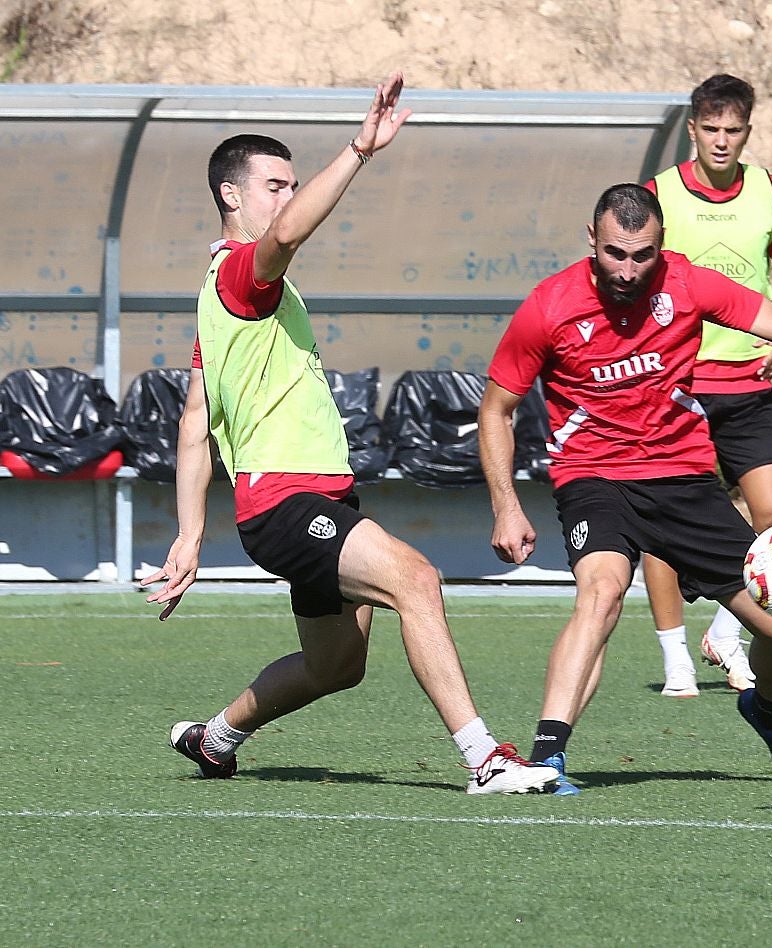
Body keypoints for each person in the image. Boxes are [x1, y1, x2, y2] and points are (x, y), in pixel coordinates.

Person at [141, 72, 558, 796]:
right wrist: (359, 151)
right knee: (418, 580)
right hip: (285, 504)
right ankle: (485, 759)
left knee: (338, 665)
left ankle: (214, 739)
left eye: (290, 183)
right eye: (275, 183)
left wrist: (188, 536)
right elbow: (290, 232)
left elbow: (192, 423)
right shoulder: (243, 275)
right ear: (232, 195)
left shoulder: (219, 295)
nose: (286, 195)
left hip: (314, 501)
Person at [479, 183, 772, 795]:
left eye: (643, 255)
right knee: (601, 594)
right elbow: (496, 409)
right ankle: (547, 759)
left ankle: (767, 711)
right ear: (591, 240)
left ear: (663, 245)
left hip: (685, 479)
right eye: (615, 254)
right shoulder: (548, 305)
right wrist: (506, 505)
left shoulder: (688, 284)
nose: (629, 270)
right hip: (594, 477)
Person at [641, 73, 772, 698]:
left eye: (732, 131)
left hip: (748, 386)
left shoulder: (768, 190)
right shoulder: (661, 195)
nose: (720, 141)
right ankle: (675, 657)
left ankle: (726, 633)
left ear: (747, 131)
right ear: (692, 129)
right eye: (709, 129)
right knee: (663, 524)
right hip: (679, 387)